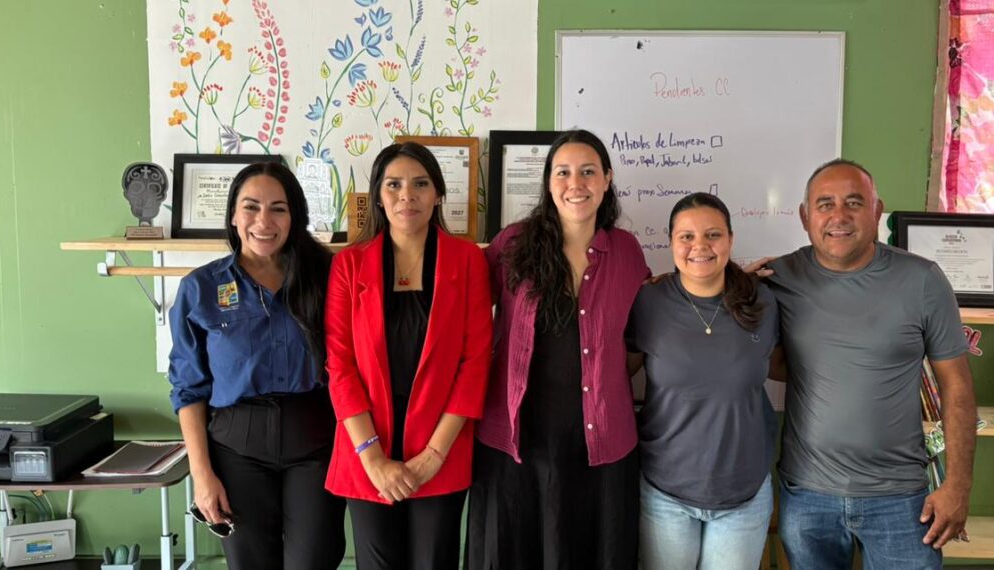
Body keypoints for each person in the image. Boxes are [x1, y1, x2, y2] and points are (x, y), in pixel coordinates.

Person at [766, 159, 976, 569]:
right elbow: (758, 354)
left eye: (854, 202)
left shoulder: (923, 281)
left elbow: (957, 387)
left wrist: (958, 485)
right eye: (824, 204)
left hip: (901, 500)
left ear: (877, 211)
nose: (838, 216)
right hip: (807, 496)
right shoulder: (779, 277)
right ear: (805, 217)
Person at [465, 129, 650, 569]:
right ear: (549, 182)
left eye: (588, 171)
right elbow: (463, 309)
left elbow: (645, 326)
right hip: (517, 442)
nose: (576, 183)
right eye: (563, 172)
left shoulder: (626, 251)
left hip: (600, 444)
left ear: (606, 179)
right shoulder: (512, 245)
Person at [167, 162, 345, 569]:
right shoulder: (201, 288)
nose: (264, 221)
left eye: (278, 209)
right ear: (233, 215)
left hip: (315, 441)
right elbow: (188, 388)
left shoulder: (327, 277)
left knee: (314, 560)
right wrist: (202, 476)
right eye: (251, 207)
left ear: (294, 216)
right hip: (236, 446)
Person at [324, 142, 491, 569]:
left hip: (441, 446)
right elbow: (339, 365)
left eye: (420, 184)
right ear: (378, 194)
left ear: (437, 194)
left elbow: (475, 362)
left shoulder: (468, 261)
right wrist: (374, 459)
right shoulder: (349, 265)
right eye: (394, 184)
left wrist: (433, 456)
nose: (407, 195)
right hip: (367, 447)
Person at [627, 192, 780, 569]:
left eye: (713, 235)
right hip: (665, 492)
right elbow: (616, 374)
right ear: (671, 243)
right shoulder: (648, 302)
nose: (700, 246)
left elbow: (784, 365)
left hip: (743, 493)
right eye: (686, 237)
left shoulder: (763, 302)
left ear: (730, 239)